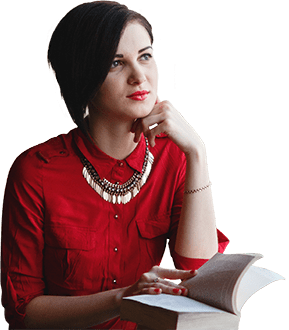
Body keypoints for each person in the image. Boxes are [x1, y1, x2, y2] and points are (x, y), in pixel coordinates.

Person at [1, 1, 229, 329]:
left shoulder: (175, 158)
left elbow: (200, 273)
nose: (139, 76)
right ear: (83, 78)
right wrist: (121, 301)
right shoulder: (35, 171)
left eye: (145, 56)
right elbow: (23, 312)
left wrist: (197, 153)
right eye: (115, 63)